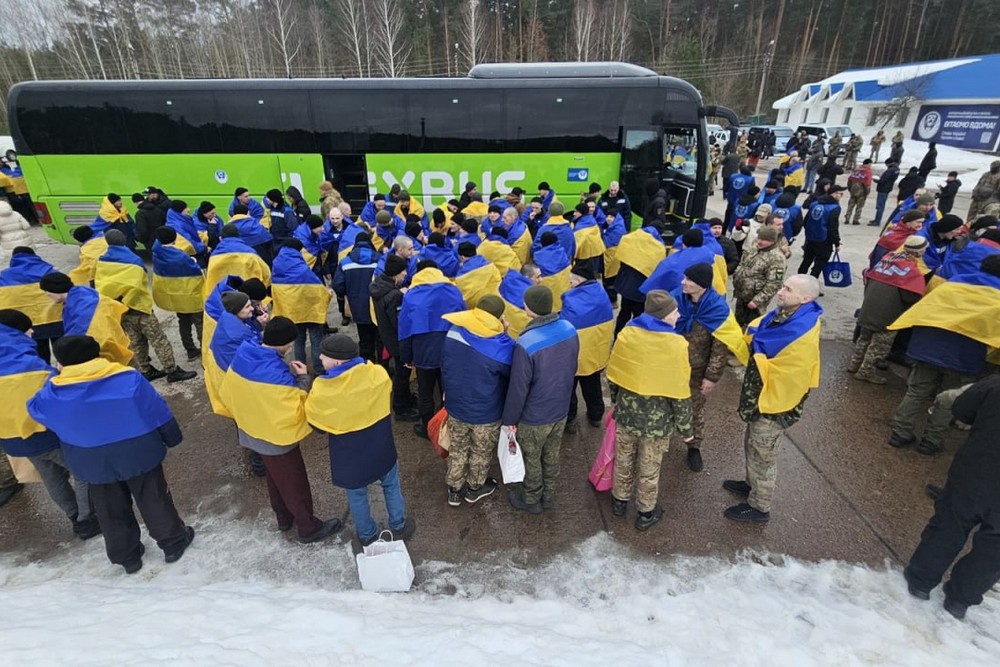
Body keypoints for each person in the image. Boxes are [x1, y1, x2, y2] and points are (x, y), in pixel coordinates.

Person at [27, 335, 195, 574]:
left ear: (62, 363)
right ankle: (173, 543)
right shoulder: (128, 377)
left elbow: (36, 410)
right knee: (154, 497)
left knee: (109, 508)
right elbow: (156, 409)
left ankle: (127, 556)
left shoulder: (54, 391)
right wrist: (171, 437)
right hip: (138, 451)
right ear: (98, 353)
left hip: (91, 458)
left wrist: (55, 377)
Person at [221, 317, 342, 543]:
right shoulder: (276, 375)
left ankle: (284, 518)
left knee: (275, 477)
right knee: (294, 481)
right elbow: (295, 407)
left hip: (252, 428)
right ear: (283, 343)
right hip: (275, 436)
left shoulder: (245, 353)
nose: (289, 349)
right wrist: (303, 378)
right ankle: (308, 527)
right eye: (289, 345)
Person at [723, 275, 823, 523]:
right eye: (782, 287)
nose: (780, 292)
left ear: (805, 298)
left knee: (764, 456)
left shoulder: (801, 330)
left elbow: (792, 371)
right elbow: (762, 330)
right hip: (761, 399)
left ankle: (759, 506)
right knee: (753, 444)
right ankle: (750, 483)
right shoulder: (786, 316)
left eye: (788, 289)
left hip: (774, 406)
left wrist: (758, 353)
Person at [903, 376, 1000, 620]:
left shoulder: (995, 384)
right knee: (994, 549)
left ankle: (920, 581)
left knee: (949, 524)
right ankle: (960, 599)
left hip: (977, 471)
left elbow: (961, 409)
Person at [306, 334, 415, 546]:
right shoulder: (376, 373)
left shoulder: (323, 388)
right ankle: (399, 525)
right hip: (381, 445)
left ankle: (367, 535)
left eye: (324, 355)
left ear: (337, 362)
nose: (319, 357)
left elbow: (316, 425)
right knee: (391, 485)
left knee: (357, 495)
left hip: (350, 454)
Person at [886, 256, 1000, 455]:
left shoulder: (951, 284)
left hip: (927, 346)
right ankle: (931, 441)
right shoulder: (996, 296)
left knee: (916, 391)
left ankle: (900, 432)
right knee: (949, 398)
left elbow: (925, 307)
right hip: (964, 356)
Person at [0, 310, 98, 536]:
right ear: (15, 333)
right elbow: (60, 399)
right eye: (27, 329)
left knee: (52, 477)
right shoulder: (33, 368)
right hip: (48, 434)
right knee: (84, 471)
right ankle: (87, 519)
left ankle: (73, 515)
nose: (33, 332)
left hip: (15, 439)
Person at [605, 289, 694, 530]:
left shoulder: (628, 333)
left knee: (623, 460)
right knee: (649, 469)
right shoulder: (676, 345)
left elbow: (615, 375)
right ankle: (645, 512)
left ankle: (619, 501)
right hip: (657, 425)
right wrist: (687, 429)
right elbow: (680, 393)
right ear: (664, 315)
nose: (678, 315)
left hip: (626, 416)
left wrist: (616, 404)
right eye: (674, 311)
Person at [502, 285, 579, 514]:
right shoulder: (569, 328)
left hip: (535, 414)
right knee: (552, 453)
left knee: (531, 457)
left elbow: (518, 388)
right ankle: (548, 495)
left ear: (530, 309)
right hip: (560, 408)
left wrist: (510, 419)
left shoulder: (526, 343)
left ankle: (531, 497)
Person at [440, 295, 514, 506]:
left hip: (456, 405)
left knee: (458, 447)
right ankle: (475, 488)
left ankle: (454, 489)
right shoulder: (503, 346)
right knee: (480, 452)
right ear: (499, 318)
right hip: (486, 412)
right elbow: (511, 375)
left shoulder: (453, 332)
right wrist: (505, 334)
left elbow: (444, 364)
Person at [674, 263, 749, 471]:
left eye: (689, 280)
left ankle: (693, 446)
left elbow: (720, 347)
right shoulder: (675, 300)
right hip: (671, 367)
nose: (683, 282)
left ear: (701, 285)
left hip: (697, 371)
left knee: (694, 409)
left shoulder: (717, 309)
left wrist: (711, 377)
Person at [95, 231, 196, 383]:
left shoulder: (103, 261)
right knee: (159, 340)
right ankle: (172, 370)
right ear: (124, 240)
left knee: (136, 341)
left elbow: (101, 284)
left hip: (120, 309)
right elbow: (137, 285)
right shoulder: (133, 260)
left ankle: (145, 370)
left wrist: (121, 304)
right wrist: (130, 301)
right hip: (140, 308)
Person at [398, 261, 465, 437]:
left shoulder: (411, 295)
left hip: (423, 351)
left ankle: (428, 428)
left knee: (425, 392)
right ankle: (447, 427)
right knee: (448, 391)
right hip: (450, 349)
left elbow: (405, 329)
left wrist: (406, 357)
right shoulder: (454, 290)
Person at [850, 236, 927, 384]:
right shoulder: (911, 270)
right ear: (919, 252)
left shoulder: (888, 258)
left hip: (869, 307)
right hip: (887, 313)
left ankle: (854, 364)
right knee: (879, 345)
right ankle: (865, 372)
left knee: (864, 338)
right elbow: (910, 296)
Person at [39, 271, 133, 367]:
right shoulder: (84, 293)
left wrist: (63, 360)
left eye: (46, 291)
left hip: (103, 351)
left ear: (55, 291)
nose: (47, 295)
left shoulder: (80, 311)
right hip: (116, 340)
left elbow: (76, 339)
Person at [561, 263, 614, 432]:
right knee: (593, 386)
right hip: (595, 354)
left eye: (571, 281)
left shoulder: (570, 299)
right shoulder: (601, 294)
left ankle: (570, 419)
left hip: (574, 355)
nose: (569, 285)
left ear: (578, 280)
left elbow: (564, 324)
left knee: (568, 389)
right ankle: (596, 416)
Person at [271, 240, 331, 376]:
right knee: (316, 339)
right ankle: (319, 369)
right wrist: (327, 293)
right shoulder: (301, 268)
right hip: (310, 311)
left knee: (298, 341)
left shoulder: (276, 265)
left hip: (292, 312)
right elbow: (316, 288)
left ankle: (300, 369)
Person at [370, 254, 419, 421]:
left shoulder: (378, 286)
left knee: (401, 372)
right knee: (402, 373)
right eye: (403, 271)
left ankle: (404, 399)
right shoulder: (394, 295)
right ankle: (400, 407)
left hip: (387, 336)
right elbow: (399, 322)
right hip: (397, 340)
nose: (406, 274)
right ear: (396, 274)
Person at [0, 247, 63, 363]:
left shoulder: (3, 277)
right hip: (57, 320)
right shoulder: (52, 272)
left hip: (27, 324)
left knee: (38, 357)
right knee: (64, 355)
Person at [151, 227, 205, 362]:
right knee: (200, 323)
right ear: (175, 239)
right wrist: (194, 262)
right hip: (190, 295)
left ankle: (190, 350)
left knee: (184, 322)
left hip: (176, 298)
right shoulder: (181, 257)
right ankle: (205, 349)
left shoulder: (157, 252)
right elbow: (196, 272)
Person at [614, 224, 668, 334]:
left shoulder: (630, 244)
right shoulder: (658, 250)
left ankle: (617, 336)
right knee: (638, 317)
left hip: (626, 287)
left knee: (624, 313)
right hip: (642, 292)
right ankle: (634, 337)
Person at [333, 232, 379, 360]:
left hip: (357, 306)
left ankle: (366, 364)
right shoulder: (380, 259)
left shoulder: (345, 262)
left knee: (364, 339)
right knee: (380, 339)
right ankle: (382, 367)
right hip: (377, 305)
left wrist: (348, 293)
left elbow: (338, 286)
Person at [204, 223, 272, 298]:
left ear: (221, 237)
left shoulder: (214, 256)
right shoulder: (251, 253)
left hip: (220, 298)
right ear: (238, 235)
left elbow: (210, 278)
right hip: (248, 298)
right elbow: (266, 274)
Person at [798, 185, 844, 278]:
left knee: (806, 261)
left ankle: (798, 280)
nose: (841, 196)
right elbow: (833, 227)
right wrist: (837, 242)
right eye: (840, 194)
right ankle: (812, 283)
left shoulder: (815, 203)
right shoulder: (834, 208)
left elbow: (806, 221)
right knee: (819, 263)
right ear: (834, 194)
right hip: (824, 239)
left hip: (810, 238)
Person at [454, 242, 502, 308]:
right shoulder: (490, 264)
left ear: (462, 257)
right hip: (497, 300)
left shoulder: (462, 275)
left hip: (481, 305)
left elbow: (464, 296)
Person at [0, 199, 32, 266]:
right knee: (28, 255)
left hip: (7, 241)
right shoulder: (16, 214)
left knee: (15, 258)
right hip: (22, 237)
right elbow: (27, 226)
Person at [870, 159, 901, 227]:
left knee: (880, 205)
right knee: (881, 205)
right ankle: (877, 219)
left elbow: (883, 180)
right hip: (888, 188)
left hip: (883, 189)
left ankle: (877, 220)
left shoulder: (890, 170)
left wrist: (876, 180)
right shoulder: (897, 169)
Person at [845, 159, 873, 225]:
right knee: (859, 206)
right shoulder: (868, 171)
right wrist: (867, 192)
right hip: (861, 192)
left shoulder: (856, 170)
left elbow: (849, 180)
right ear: (868, 164)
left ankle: (847, 218)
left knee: (850, 205)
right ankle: (855, 220)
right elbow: (867, 183)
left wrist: (850, 189)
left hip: (853, 190)